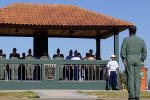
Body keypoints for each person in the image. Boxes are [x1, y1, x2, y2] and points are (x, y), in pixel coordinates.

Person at [121, 26, 147, 100]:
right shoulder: (141, 40)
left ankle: (132, 95)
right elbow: (144, 51)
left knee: (130, 78)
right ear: (136, 31)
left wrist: (124, 59)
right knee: (137, 78)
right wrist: (142, 59)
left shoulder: (126, 40)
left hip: (129, 58)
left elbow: (123, 51)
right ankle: (137, 95)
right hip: (138, 59)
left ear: (129, 31)